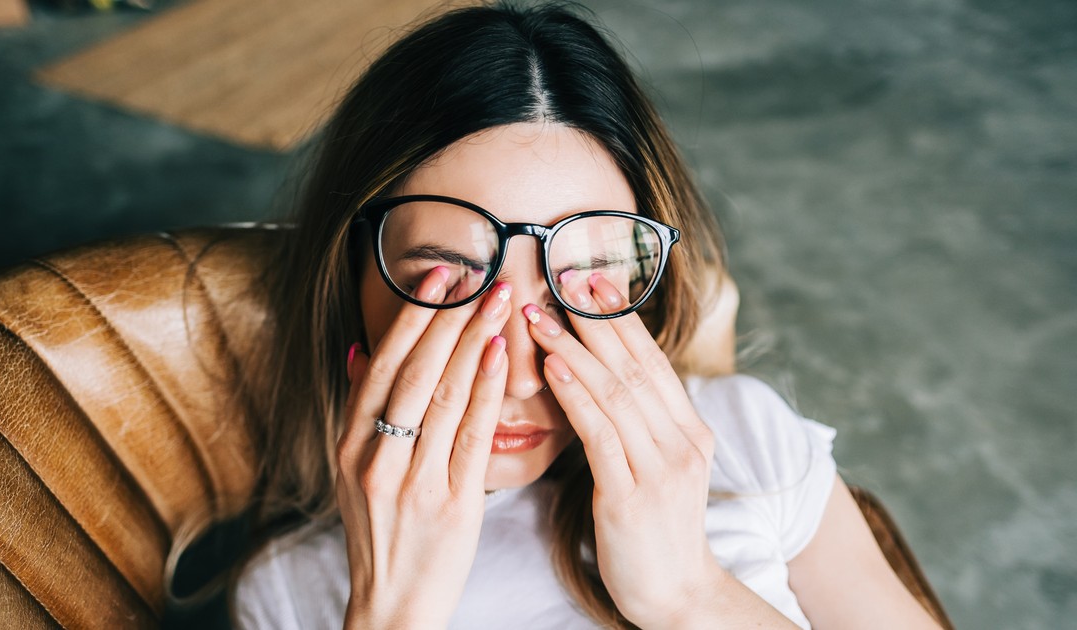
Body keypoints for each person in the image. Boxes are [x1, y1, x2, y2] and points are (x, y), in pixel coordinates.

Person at [231, 3, 943, 628]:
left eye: (581, 286)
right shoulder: (289, 595)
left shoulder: (747, 441)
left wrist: (691, 598)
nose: (519, 378)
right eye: (449, 289)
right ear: (348, 276)